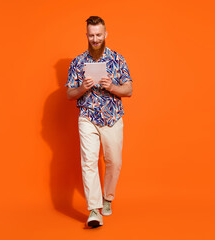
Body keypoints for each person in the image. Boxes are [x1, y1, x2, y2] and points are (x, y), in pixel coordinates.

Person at [66, 16, 133, 228]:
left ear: (105, 34)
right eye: (91, 35)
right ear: (86, 35)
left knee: (114, 161)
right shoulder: (77, 62)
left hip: (112, 117)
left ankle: (107, 198)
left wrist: (112, 86)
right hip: (87, 117)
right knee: (88, 161)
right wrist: (82, 88)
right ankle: (94, 210)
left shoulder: (118, 59)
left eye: (98, 35)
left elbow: (129, 90)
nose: (95, 39)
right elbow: (69, 94)